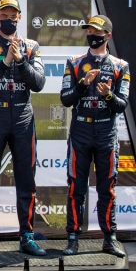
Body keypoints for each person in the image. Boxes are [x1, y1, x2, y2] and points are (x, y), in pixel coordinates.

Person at [0, 0, 47, 257]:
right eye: (4, 15)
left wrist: (21, 61)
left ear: (20, 18)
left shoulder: (32, 46)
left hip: (23, 119)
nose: (9, 19)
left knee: (26, 180)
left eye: (13, 16)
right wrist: (4, 63)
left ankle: (27, 236)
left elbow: (39, 84)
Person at [60, 15, 129, 258]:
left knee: (106, 188)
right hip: (80, 131)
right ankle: (72, 237)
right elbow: (65, 99)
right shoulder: (75, 62)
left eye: (97, 32)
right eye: (89, 31)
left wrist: (108, 95)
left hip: (106, 133)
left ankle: (109, 238)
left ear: (107, 35)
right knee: (75, 188)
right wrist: (82, 85)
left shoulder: (120, 66)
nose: (92, 35)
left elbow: (121, 105)